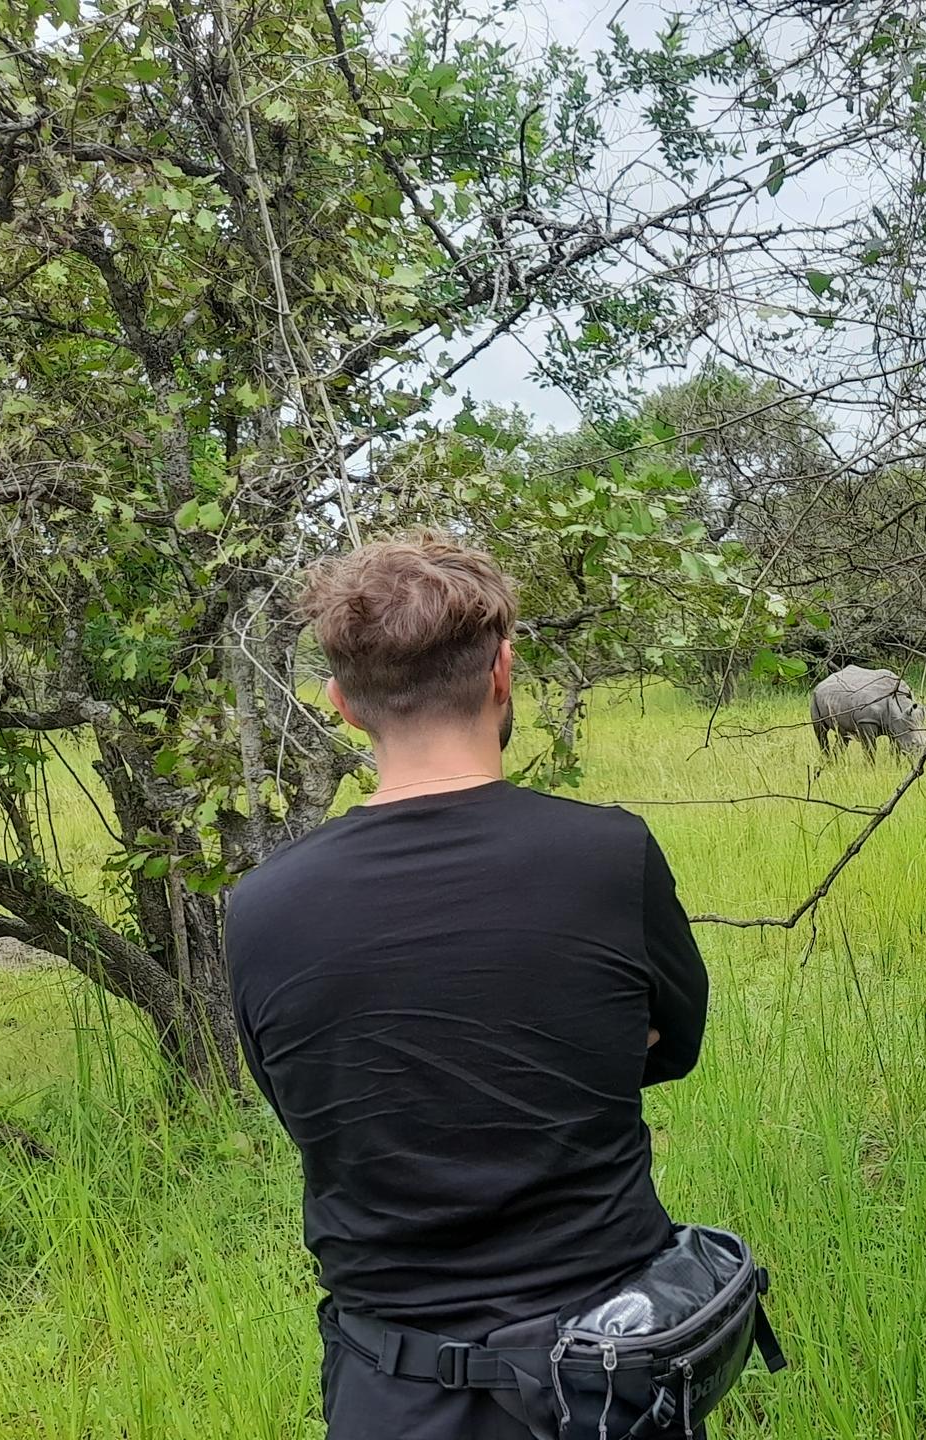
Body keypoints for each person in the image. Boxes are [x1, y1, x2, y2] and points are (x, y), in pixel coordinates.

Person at [227, 533, 708, 1440]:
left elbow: (310, 1107)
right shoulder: (610, 855)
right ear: (502, 672)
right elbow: (670, 1047)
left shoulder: (261, 907)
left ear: (340, 705)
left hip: (391, 1387)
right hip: (612, 1372)